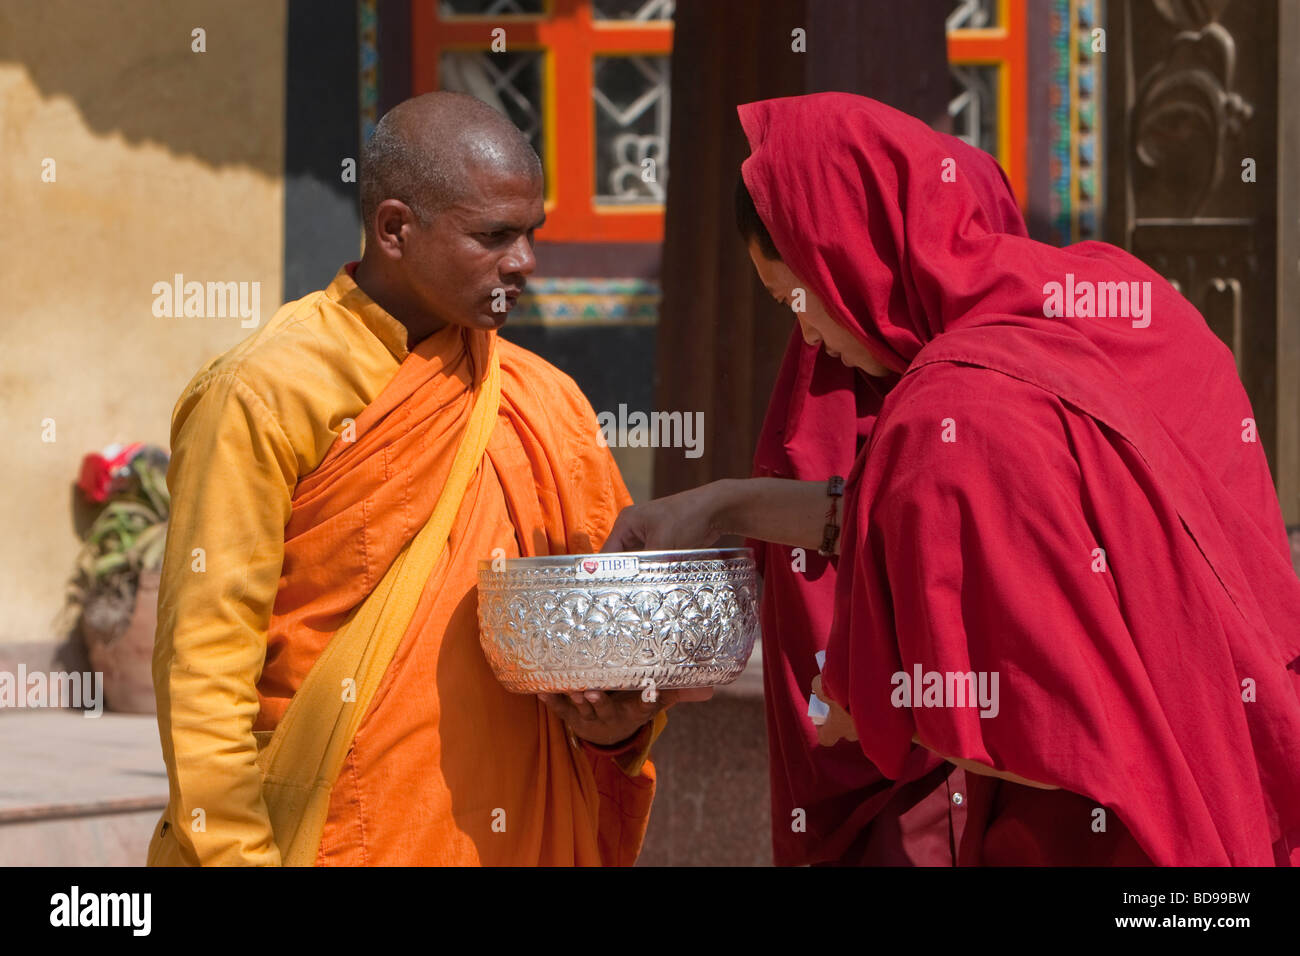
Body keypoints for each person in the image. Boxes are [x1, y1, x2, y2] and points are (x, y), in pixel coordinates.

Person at [603, 92, 1300, 865]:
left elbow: (1043, 731)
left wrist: (870, 710)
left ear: (848, 256)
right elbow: (892, 510)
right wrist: (717, 507)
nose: (809, 337)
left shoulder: (951, 400)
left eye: (797, 300)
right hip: (1244, 776)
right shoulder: (1133, 308)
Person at [148, 92, 705, 867]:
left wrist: (623, 724)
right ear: (396, 229)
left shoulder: (543, 402)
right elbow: (202, 666)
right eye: (494, 236)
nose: (525, 263)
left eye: (532, 234)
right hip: (339, 836)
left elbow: (609, 634)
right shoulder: (267, 393)